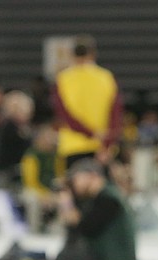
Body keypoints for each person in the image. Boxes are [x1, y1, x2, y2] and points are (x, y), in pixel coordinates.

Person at [51, 157, 136, 260]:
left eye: (76, 178)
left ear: (90, 176)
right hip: (110, 258)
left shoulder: (108, 199)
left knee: (65, 259)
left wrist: (67, 204)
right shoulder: (100, 197)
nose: (74, 184)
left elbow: (86, 228)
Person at [52, 34, 122, 169]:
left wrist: (89, 133)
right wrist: (107, 143)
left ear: (71, 55)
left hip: (73, 146)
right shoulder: (106, 78)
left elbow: (64, 116)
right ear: (93, 54)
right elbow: (116, 113)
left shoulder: (62, 79)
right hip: (101, 148)